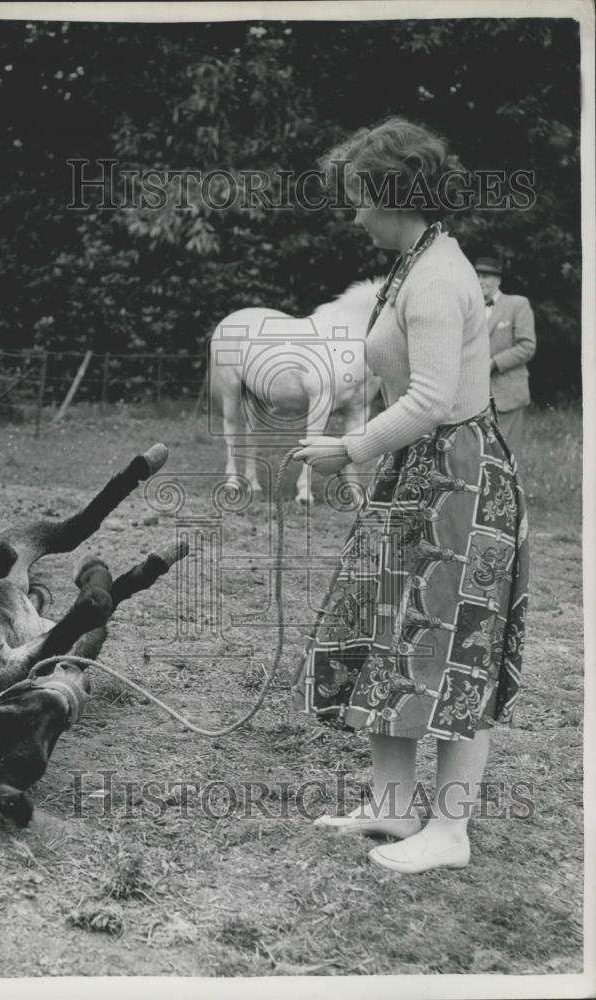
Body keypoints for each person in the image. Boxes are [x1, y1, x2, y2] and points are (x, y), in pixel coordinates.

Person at [292, 117, 529, 874]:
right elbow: (410, 373)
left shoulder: (434, 276)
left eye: (358, 196)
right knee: (385, 634)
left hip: (456, 478)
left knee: (455, 649)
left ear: (390, 193)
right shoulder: (414, 260)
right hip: (417, 472)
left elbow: (430, 397)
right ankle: (394, 808)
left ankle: (449, 833)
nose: (351, 211)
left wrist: (348, 449)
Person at [474, 256, 536, 465]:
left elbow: (527, 346)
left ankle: (511, 498)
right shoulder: (469, 310)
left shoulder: (517, 304)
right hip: (474, 396)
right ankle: (483, 498)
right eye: (477, 275)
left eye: (486, 276)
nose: (481, 280)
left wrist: (493, 363)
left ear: (498, 280)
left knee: (507, 455)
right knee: (477, 455)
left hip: (506, 394)